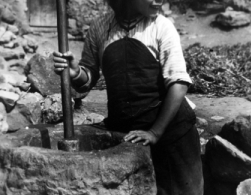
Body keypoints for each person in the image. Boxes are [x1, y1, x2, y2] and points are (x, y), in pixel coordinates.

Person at [53, 0, 203, 194]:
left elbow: (178, 84)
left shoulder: (161, 27)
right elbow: (88, 79)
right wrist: (75, 73)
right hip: (129, 134)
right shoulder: (100, 28)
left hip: (172, 135)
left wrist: (155, 132)